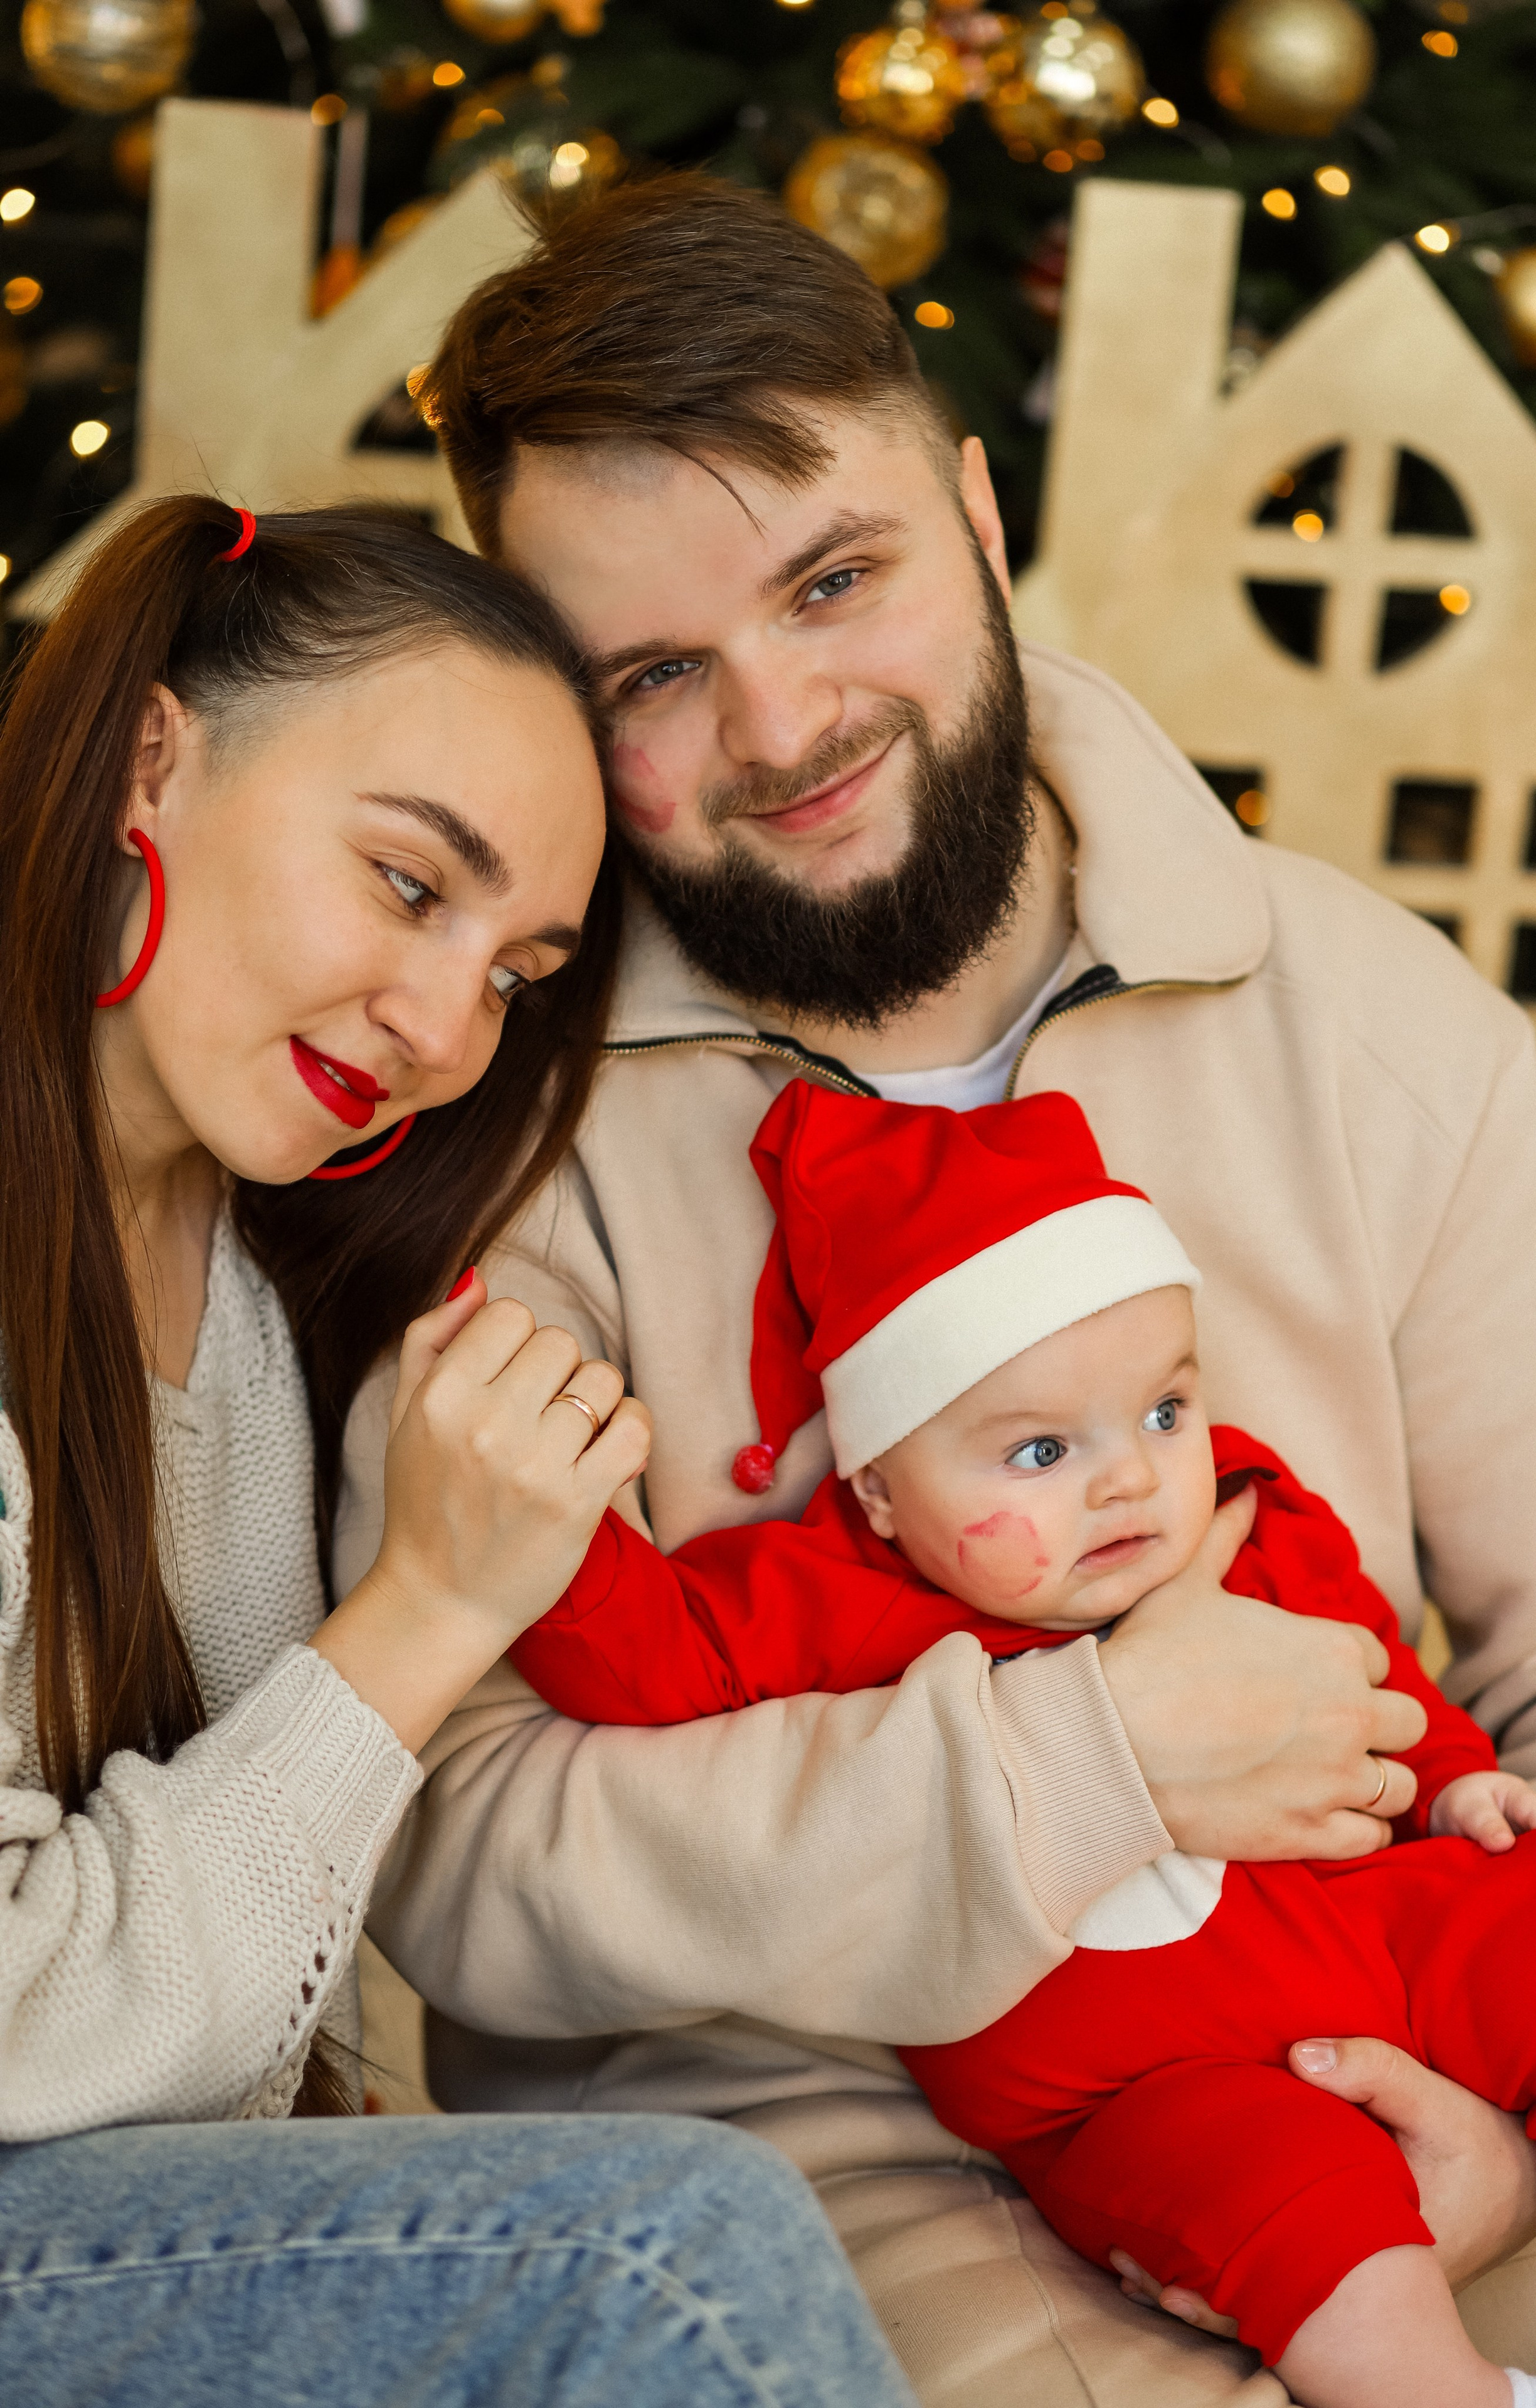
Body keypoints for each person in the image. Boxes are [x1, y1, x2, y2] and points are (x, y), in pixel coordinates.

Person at [341, 174, 1536, 2402]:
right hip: (818, 2196)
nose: (785, 723)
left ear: (984, 522)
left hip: (1410, 2064)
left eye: (840, 580)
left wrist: (1498, 2156)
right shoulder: (487, 1144)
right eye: (656, 675)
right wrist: (1068, 1766)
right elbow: (456, 1851)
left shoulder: (1379, 1024)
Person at [0, 494, 918, 2408]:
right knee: (662, 2257)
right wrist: (421, 1615)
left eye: (516, 972)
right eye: (414, 885)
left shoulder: (253, 1305)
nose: (442, 1025)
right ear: (152, 762)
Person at [508, 1079, 1536, 2408]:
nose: (1131, 1478)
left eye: (1161, 1413)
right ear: (878, 1493)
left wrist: (1452, 1784)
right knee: (1289, 2205)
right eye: (1038, 1450)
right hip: (1138, 2079)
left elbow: (1367, 1676)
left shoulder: (1251, 1520)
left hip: (1368, 1934)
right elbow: (635, 1657)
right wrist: (533, 1497)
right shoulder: (834, 1596)